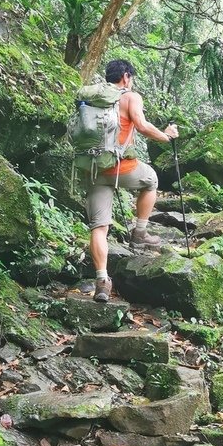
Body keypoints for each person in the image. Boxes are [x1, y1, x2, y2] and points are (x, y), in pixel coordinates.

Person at [85, 59, 179, 303]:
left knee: (99, 227)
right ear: (126, 76)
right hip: (120, 167)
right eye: (131, 77)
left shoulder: (92, 98)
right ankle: (139, 232)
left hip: (93, 169)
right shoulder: (130, 96)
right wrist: (165, 136)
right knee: (151, 180)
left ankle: (102, 280)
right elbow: (142, 124)